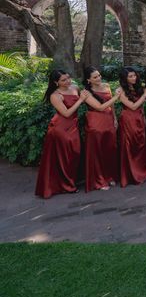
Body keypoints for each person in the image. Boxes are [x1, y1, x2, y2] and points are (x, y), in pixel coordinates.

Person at [35, 70, 87, 198]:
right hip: (61, 128)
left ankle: (71, 180)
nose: (68, 81)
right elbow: (67, 113)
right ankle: (67, 186)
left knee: (75, 153)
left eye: (68, 78)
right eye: (63, 80)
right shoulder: (55, 95)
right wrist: (80, 100)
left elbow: (85, 100)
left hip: (73, 126)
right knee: (65, 156)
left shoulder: (75, 87)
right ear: (55, 82)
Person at [82, 66, 120, 191]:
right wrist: (116, 97)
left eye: (99, 75)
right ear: (88, 80)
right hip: (95, 122)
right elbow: (100, 107)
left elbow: (111, 105)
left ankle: (109, 176)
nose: (99, 78)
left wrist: (114, 118)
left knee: (110, 149)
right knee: (97, 151)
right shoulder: (86, 92)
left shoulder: (106, 86)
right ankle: (99, 180)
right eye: (95, 77)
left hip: (108, 120)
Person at [117, 67, 146, 187]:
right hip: (128, 119)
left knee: (140, 145)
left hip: (139, 118)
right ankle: (130, 175)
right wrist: (145, 94)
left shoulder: (137, 87)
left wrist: (143, 118)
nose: (134, 78)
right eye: (130, 76)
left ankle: (141, 172)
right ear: (124, 78)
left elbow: (140, 107)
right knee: (129, 145)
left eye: (134, 75)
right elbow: (132, 106)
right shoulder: (120, 90)